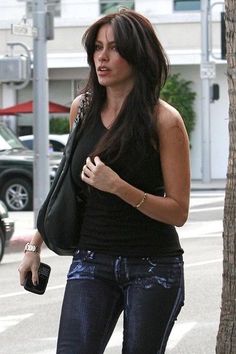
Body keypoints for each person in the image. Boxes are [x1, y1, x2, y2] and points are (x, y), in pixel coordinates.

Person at [18, 8, 190, 354]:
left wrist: (119, 187)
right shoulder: (81, 108)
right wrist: (35, 245)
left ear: (138, 55)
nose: (103, 57)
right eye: (97, 47)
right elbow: (66, 186)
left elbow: (178, 212)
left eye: (114, 48)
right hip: (92, 259)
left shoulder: (165, 121)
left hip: (153, 265)